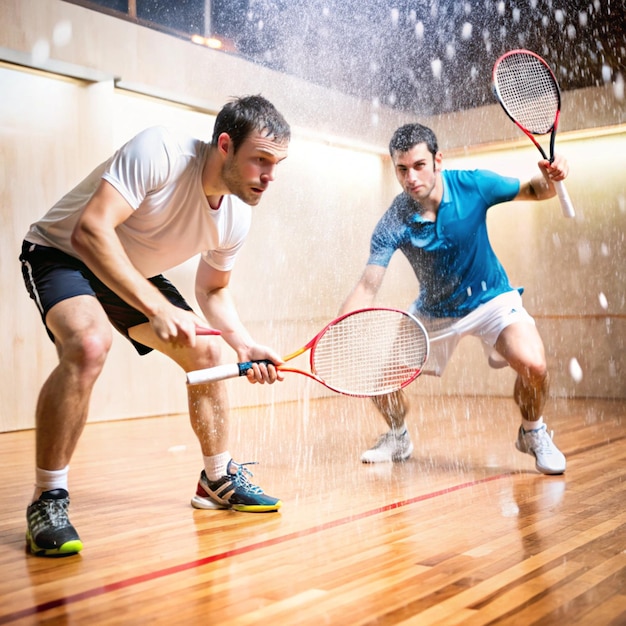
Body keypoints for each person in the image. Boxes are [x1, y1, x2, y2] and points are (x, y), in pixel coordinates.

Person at [19, 95, 291, 557]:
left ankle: (217, 478)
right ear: (225, 145)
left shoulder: (237, 215)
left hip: (131, 269)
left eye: (276, 164)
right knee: (89, 344)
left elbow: (213, 290)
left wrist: (243, 344)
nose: (269, 177)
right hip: (62, 253)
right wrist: (158, 307)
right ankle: (48, 498)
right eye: (260, 161)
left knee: (209, 353)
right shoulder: (161, 151)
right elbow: (91, 231)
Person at [339, 123, 568, 475]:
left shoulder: (474, 185)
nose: (410, 177)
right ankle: (398, 437)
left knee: (534, 365)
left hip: (491, 299)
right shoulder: (394, 221)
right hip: (435, 311)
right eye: (402, 169)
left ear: (437, 160)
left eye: (418, 165)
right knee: (382, 386)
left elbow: (537, 191)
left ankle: (532, 431)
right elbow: (368, 286)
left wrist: (553, 177)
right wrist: (340, 330)